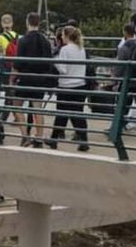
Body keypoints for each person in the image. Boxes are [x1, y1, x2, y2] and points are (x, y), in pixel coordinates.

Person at [11, 13, 56, 147]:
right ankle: (39, 137)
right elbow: (49, 63)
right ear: (39, 23)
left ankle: (25, 135)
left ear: (27, 22)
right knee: (38, 109)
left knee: (16, 106)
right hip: (40, 78)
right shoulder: (45, 41)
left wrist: (13, 78)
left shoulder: (23, 40)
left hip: (25, 78)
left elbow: (18, 63)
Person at [50, 25, 89, 151]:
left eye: (62, 35)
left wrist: (55, 61)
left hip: (66, 86)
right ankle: (83, 139)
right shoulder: (81, 49)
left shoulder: (65, 50)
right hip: (79, 85)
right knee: (78, 114)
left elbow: (63, 69)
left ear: (66, 36)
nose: (61, 37)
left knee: (61, 114)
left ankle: (54, 138)